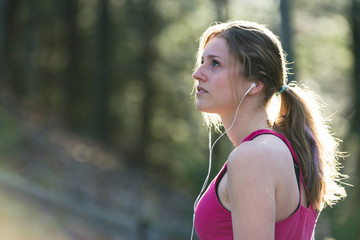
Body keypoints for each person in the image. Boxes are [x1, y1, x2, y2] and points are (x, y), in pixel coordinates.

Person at [190, 20, 347, 240]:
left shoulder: (253, 157)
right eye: (201, 61)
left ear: (255, 83)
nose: (197, 73)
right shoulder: (280, 151)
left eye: (215, 63)